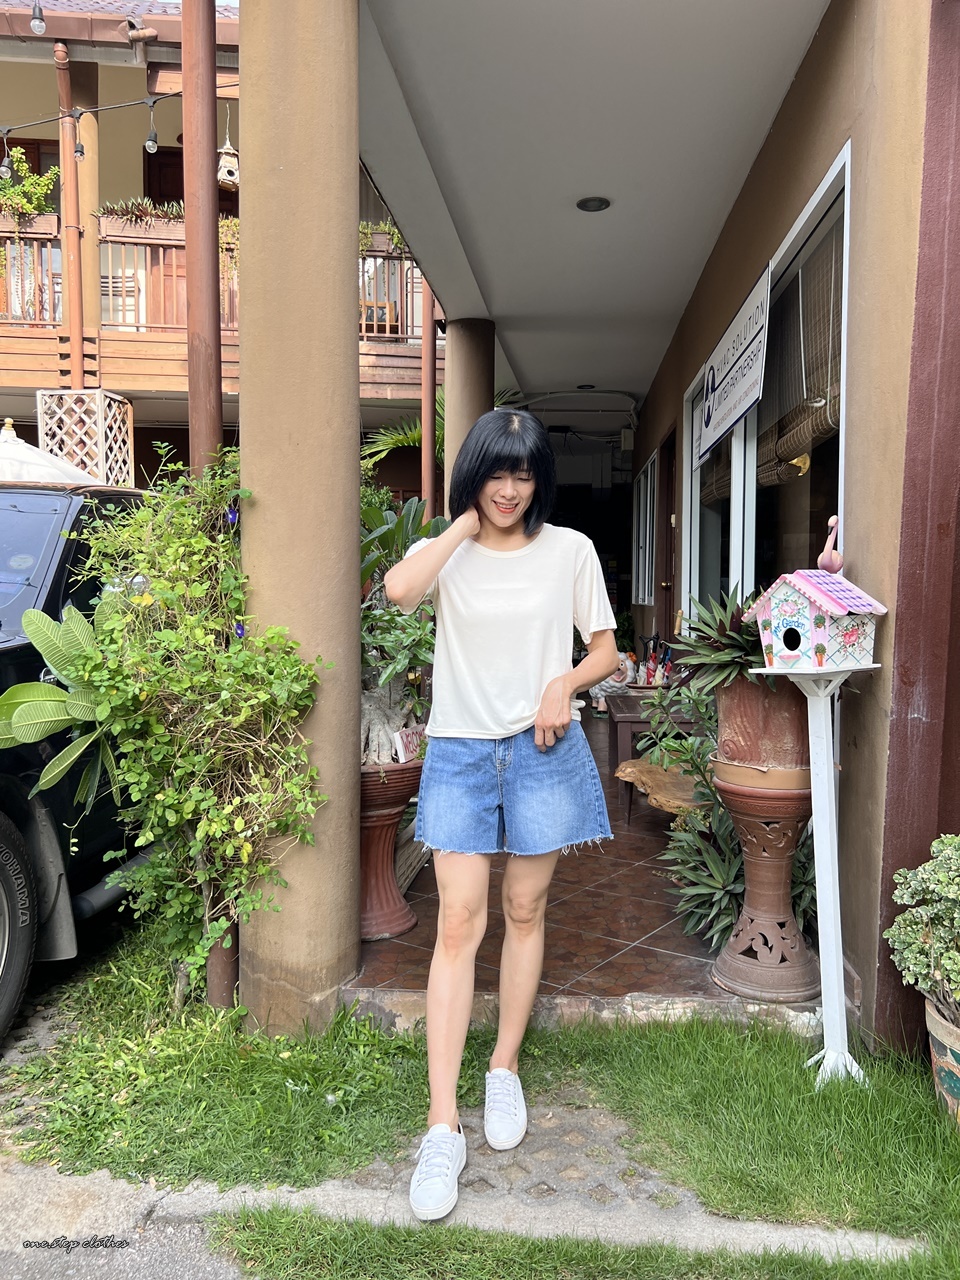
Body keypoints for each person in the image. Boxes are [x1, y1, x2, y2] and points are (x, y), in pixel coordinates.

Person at [384, 408, 619, 1222]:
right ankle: (441, 1125)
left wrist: (565, 682)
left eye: (522, 473)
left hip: (541, 748)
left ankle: (504, 1067)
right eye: (495, 472)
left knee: (525, 908)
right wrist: (460, 527)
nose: (509, 489)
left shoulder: (570, 551)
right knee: (458, 921)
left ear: (539, 478)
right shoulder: (448, 552)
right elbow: (398, 592)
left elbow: (605, 649)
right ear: (473, 476)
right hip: (459, 750)